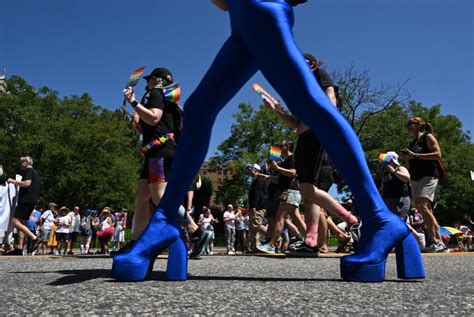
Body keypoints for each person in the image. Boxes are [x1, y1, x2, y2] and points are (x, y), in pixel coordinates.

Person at [113, 0, 424, 282]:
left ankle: (380, 219)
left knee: (313, 107)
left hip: (261, 9)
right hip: (244, 16)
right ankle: (165, 221)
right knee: (198, 109)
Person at [262, 55, 360, 256]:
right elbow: (296, 127)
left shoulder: (319, 75)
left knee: (309, 190)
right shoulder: (299, 94)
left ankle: (351, 221)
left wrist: (328, 118)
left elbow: (331, 97)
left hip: (317, 133)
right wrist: (275, 111)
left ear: (313, 65)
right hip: (304, 139)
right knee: (307, 191)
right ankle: (312, 239)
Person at [115, 68, 211, 259]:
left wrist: (134, 102)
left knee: (158, 196)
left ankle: (196, 232)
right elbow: (150, 124)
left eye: (149, 80)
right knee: (142, 196)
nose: (146, 83)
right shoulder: (168, 100)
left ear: (157, 80)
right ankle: (136, 243)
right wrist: (137, 120)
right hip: (154, 151)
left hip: (160, 152)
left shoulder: (155, 93)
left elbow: (154, 117)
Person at [400, 117, 447, 253]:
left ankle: (434, 240)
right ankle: (440, 242)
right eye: (407, 124)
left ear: (419, 124)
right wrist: (407, 158)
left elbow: (437, 155)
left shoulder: (428, 137)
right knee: (424, 209)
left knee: (421, 205)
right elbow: (412, 160)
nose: (408, 126)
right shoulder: (412, 143)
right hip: (415, 177)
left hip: (429, 174)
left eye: (411, 123)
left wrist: (415, 155)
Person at [6, 156, 42, 255]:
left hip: (26, 200)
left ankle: (34, 238)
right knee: (21, 223)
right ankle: (20, 248)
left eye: (21, 162)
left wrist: (13, 181)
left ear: (26, 162)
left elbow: (27, 183)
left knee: (14, 221)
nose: (20, 164)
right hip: (31, 201)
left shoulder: (29, 171)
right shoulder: (35, 173)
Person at [379, 152, 411, 220]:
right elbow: (382, 187)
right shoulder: (385, 172)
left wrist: (394, 171)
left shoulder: (400, 168)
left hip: (400, 199)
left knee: (399, 220)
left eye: (387, 160)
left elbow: (407, 178)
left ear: (392, 160)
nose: (385, 162)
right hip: (388, 200)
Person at [247, 163, 268, 252]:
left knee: (256, 225)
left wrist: (254, 206)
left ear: (257, 170)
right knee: (252, 228)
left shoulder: (259, 179)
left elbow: (257, 193)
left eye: (252, 170)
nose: (251, 172)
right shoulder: (255, 180)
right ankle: (255, 247)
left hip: (258, 207)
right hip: (254, 206)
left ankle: (275, 235)